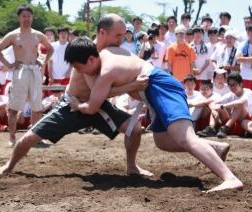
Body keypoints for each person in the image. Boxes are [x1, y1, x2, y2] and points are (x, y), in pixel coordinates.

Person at [65, 37, 243, 192]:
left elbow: (92, 107)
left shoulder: (106, 70)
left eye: (78, 68)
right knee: (162, 140)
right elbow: (108, 91)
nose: (79, 73)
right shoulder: (106, 55)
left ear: (90, 59)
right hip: (152, 93)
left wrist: (78, 106)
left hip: (160, 87)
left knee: (185, 138)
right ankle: (215, 148)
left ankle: (230, 178)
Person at [0, 13, 153, 178]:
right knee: (29, 137)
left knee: (135, 129)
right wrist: (132, 86)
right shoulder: (85, 51)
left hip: (96, 105)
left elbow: (103, 93)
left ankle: (132, 166)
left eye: (123, 35)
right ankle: (9, 165)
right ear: (103, 33)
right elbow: (101, 90)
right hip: (72, 105)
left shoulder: (114, 53)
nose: (122, 40)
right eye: (118, 35)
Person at [0, 5, 53, 146]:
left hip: (34, 71)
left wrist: (44, 61)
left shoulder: (38, 35)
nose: (26, 18)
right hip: (20, 71)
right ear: (19, 17)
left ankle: (35, 136)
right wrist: (9, 64)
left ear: (32, 17)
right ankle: (12, 137)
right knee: (14, 107)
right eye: (23, 16)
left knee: (37, 106)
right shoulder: (13, 35)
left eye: (29, 16)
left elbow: (50, 49)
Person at [199, 73, 252, 138]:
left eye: (234, 84)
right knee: (217, 107)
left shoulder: (248, 92)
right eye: (230, 85)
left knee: (239, 105)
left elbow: (240, 102)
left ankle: (225, 128)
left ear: (241, 84)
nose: (232, 87)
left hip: (243, 122)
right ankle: (211, 128)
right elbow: (213, 102)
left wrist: (222, 106)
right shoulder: (230, 94)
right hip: (231, 123)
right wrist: (214, 110)